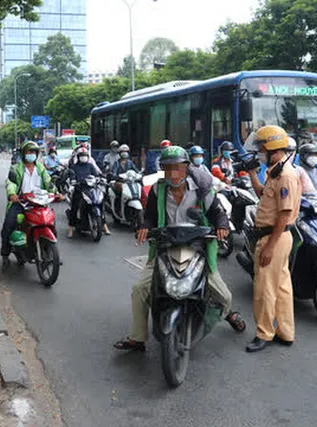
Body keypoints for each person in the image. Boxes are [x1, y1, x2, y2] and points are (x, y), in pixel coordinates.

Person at [113, 146, 246, 352]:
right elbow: (149, 216)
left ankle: (226, 313)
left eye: (178, 167)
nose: (174, 173)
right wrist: (145, 228)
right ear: (163, 170)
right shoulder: (159, 189)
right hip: (165, 246)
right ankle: (137, 338)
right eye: (168, 168)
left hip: (198, 247)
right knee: (140, 289)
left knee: (223, 295)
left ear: (186, 167)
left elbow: (217, 212)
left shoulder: (202, 188)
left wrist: (222, 226)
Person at [245, 125, 302, 353]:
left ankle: (264, 333)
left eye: (261, 149)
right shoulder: (275, 171)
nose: (259, 153)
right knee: (281, 287)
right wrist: (251, 174)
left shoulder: (286, 176)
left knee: (264, 289)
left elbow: (285, 214)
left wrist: (269, 246)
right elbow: (262, 194)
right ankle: (286, 332)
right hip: (277, 237)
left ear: (272, 149)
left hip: (274, 238)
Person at [0, 141, 53, 268]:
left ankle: (48, 250)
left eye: (34, 152)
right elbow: (11, 183)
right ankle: (5, 254)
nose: (31, 154)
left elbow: (49, 183)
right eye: (29, 152)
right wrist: (12, 194)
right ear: (24, 154)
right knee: (8, 225)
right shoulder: (16, 168)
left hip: (39, 202)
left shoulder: (40, 168)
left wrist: (56, 193)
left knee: (50, 222)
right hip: (21, 202)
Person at [67, 148, 111, 237]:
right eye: (82, 156)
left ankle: (104, 225)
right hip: (80, 189)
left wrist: (101, 178)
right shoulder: (74, 167)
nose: (83, 157)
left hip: (91, 188)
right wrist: (73, 180)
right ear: (78, 157)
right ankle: (71, 228)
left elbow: (96, 174)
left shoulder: (90, 166)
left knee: (100, 204)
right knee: (74, 206)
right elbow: (72, 175)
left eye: (85, 155)